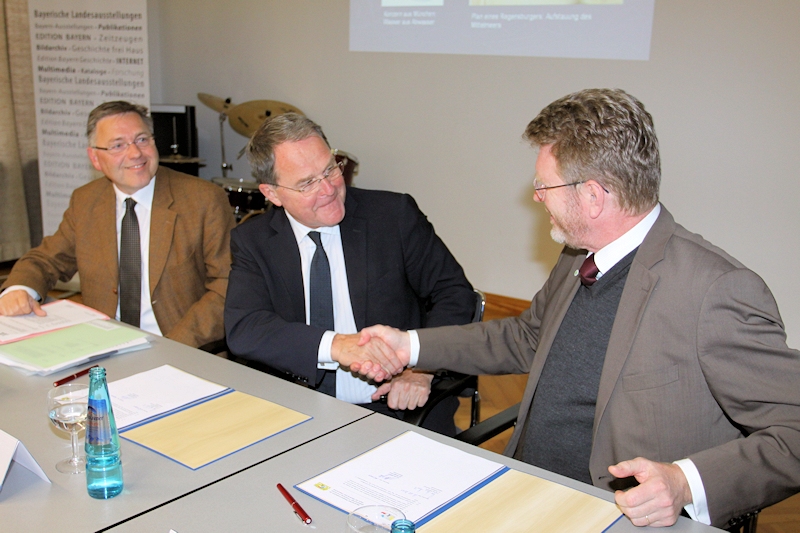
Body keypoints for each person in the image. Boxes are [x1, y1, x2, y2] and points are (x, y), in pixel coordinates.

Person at [356, 89, 800, 528]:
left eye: (543, 186)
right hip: (530, 491)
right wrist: (408, 345)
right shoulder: (579, 255)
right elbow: (527, 337)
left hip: (613, 516)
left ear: (592, 196)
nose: (537, 197)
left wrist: (684, 483)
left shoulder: (715, 290)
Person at [224, 113, 475, 436]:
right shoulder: (253, 241)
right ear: (272, 193)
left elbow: (454, 293)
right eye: (307, 183)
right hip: (295, 410)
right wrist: (336, 344)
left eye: (330, 169)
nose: (329, 189)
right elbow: (245, 327)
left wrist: (421, 368)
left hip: (396, 408)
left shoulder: (393, 216)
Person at [0, 101, 235, 348]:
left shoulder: (203, 200)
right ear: (95, 158)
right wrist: (20, 289)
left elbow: (226, 286)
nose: (135, 154)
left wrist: (174, 346)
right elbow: (46, 259)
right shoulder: (86, 201)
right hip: (104, 344)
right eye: (118, 145)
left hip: (182, 345)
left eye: (142, 139)